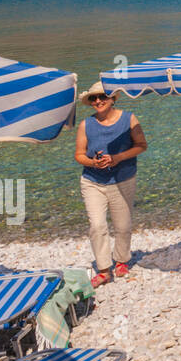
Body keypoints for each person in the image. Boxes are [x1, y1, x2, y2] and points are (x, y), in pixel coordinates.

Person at [74, 81, 148, 287]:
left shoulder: (129, 119)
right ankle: (104, 269)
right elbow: (79, 155)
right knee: (97, 226)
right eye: (94, 98)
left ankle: (122, 260)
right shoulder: (85, 125)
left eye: (103, 97)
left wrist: (117, 158)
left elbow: (142, 146)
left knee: (123, 226)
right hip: (92, 182)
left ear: (112, 98)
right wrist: (93, 162)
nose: (98, 101)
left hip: (123, 180)